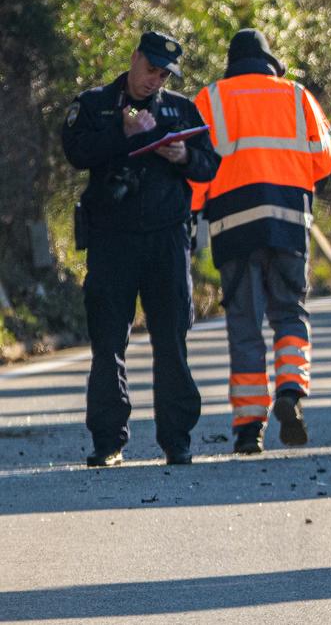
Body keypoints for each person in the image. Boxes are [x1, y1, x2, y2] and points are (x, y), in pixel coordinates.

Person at [61, 32, 220, 467]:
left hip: (166, 239)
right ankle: (108, 441)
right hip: (112, 239)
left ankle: (177, 441)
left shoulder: (179, 109)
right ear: (134, 59)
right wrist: (121, 131)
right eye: (151, 69)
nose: (155, 80)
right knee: (108, 342)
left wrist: (182, 155)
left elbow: (210, 165)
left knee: (171, 341)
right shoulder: (96, 105)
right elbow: (75, 152)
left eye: (164, 74)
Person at [190, 30, 331, 454]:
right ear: (272, 61)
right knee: (290, 314)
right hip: (289, 220)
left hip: (234, 226)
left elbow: (196, 166)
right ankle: (290, 390)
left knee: (244, 326)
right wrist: (295, 176)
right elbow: (328, 154)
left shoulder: (212, 99)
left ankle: (248, 427)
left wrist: (197, 209)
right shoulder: (297, 96)